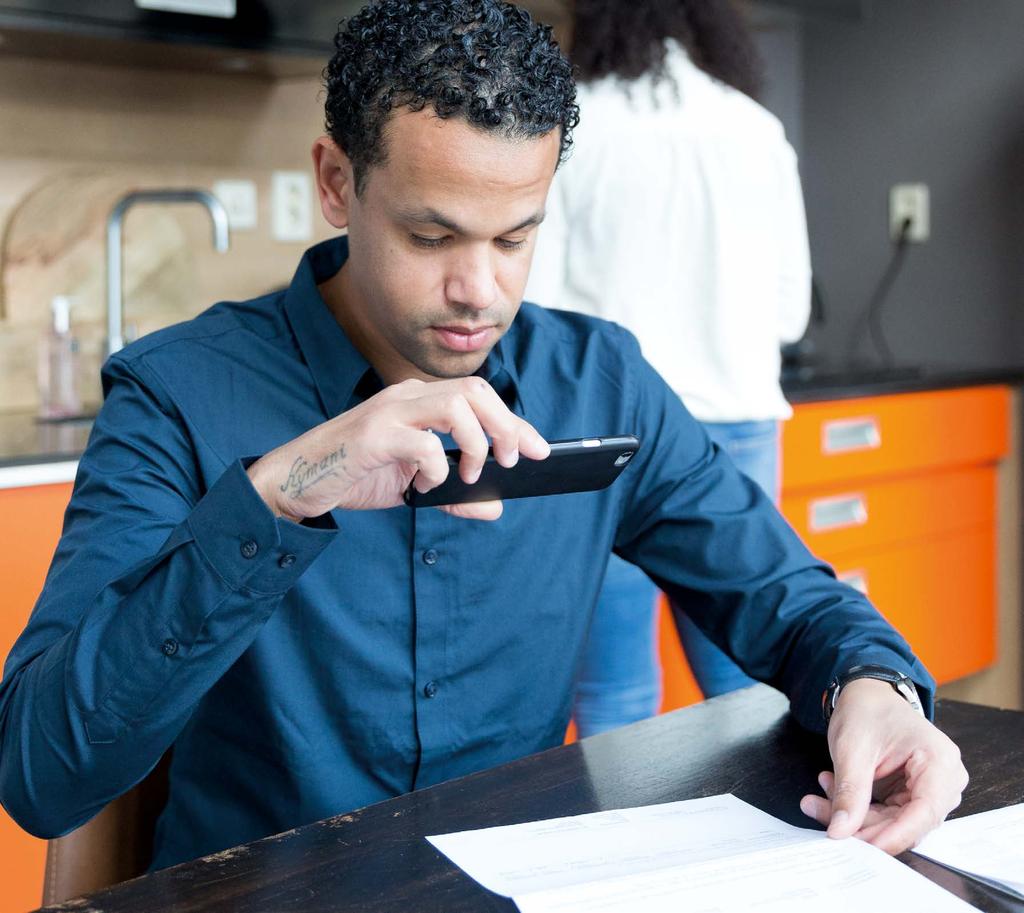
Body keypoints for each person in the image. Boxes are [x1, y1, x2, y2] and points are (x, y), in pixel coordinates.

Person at [0, 0, 965, 873]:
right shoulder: (177, 393)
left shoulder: (599, 381)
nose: (481, 291)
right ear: (336, 182)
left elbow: (789, 598)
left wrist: (876, 686)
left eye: (515, 237)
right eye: (432, 237)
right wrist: (285, 488)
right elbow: (41, 773)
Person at [525, 0, 812, 735]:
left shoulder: (573, 126)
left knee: (614, 695)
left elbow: (537, 303)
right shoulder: (756, 129)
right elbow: (790, 313)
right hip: (739, 424)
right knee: (750, 686)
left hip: (612, 432)